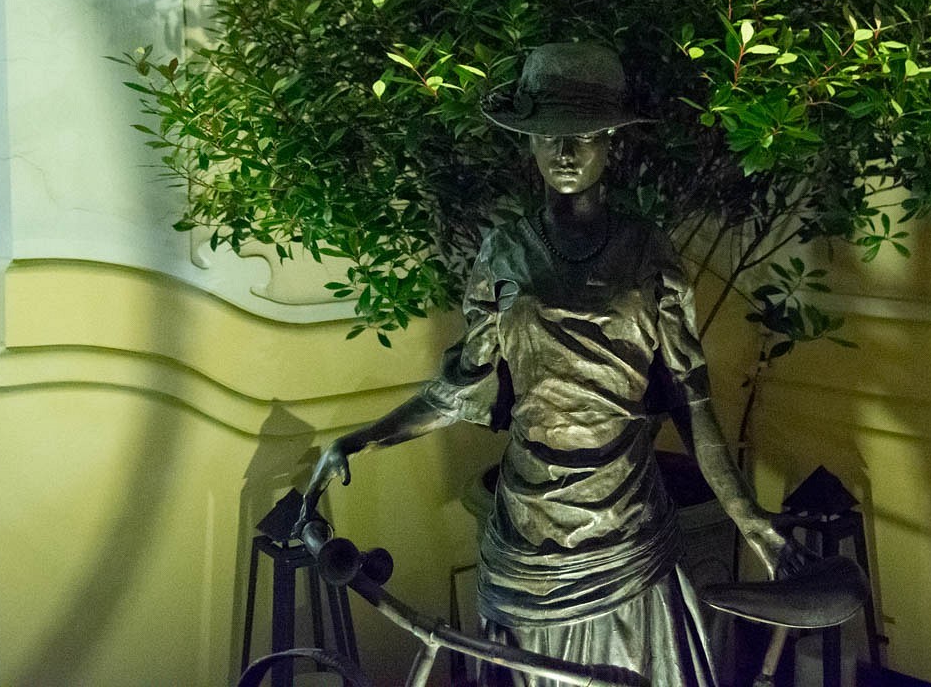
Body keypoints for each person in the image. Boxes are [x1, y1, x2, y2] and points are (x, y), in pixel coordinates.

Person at [299, 42, 788, 686]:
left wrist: (749, 519)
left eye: (582, 135)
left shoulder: (647, 252)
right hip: (527, 541)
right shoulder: (504, 253)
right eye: (548, 135)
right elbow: (459, 389)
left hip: (626, 534)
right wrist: (362, 438)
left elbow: (691, 400)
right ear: (528, 142)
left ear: (611, 140)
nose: (564, 152)